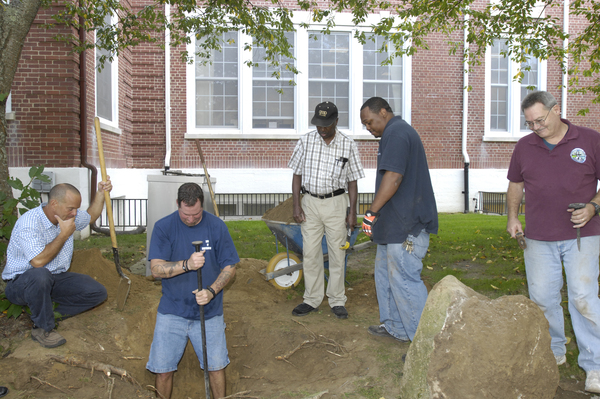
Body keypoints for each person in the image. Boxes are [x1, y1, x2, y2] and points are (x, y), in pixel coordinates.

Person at [506, 90, 600, 394]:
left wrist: (593, 207)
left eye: (540, 120)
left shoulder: (590, 140)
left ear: (556, 110)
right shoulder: (524, 146)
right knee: (543, 298)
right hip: (538, 236)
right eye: (530, 123)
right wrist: (512, 217)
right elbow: (515, 184)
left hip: (582, 235)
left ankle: (595, 364)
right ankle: (554, 350)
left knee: (583, 297)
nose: (536, 127)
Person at [147, 182, 239, 399]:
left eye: (196, 214)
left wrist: (211, 291)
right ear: (178, 204)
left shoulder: (216, 226)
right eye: (185, 214)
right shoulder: (164, 227)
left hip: (209, 313)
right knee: (163, 370)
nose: (190, 219)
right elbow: (155, 270)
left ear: (202, 205)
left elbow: (230, 267)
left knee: (216, 367)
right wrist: (186, 265)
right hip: (172, 311)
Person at [360, 97, 438, 342]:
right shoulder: (395, 133)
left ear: (383, 112)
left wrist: (371, 214)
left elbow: (393, 177)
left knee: (404, 280)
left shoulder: (396, 133)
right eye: (364, 124)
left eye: (369, 121)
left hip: (406, 227)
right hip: (393, 225)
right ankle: (397, 327)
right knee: (385, 275)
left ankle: (423, 345)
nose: (368, 127)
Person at [2, 180, 112, 348]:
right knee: (40, 274)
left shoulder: (68, 216)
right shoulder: (29, 223)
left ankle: (45, 311)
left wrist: (100, 193)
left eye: (76, 208)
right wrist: (63, 235)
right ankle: (43, 328)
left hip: (54, 278)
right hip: (21, 283)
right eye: (71, 208)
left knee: (97, 292)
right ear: (54, 203)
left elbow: (91, 216)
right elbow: (38, 262)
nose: (75, 213)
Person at [288, 101, 365, 319]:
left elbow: (352, 181)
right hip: (310, 203)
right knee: (311, 253)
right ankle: (311, 299)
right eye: (318, 125)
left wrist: (352, 211)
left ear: (336, 122)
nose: (321, 129)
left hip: (336, 203)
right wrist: (296, 204)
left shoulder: (348, 144)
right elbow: (296, 175)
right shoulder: (305, 141)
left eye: (326, 125)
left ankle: (337, 299)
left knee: (337, 253)